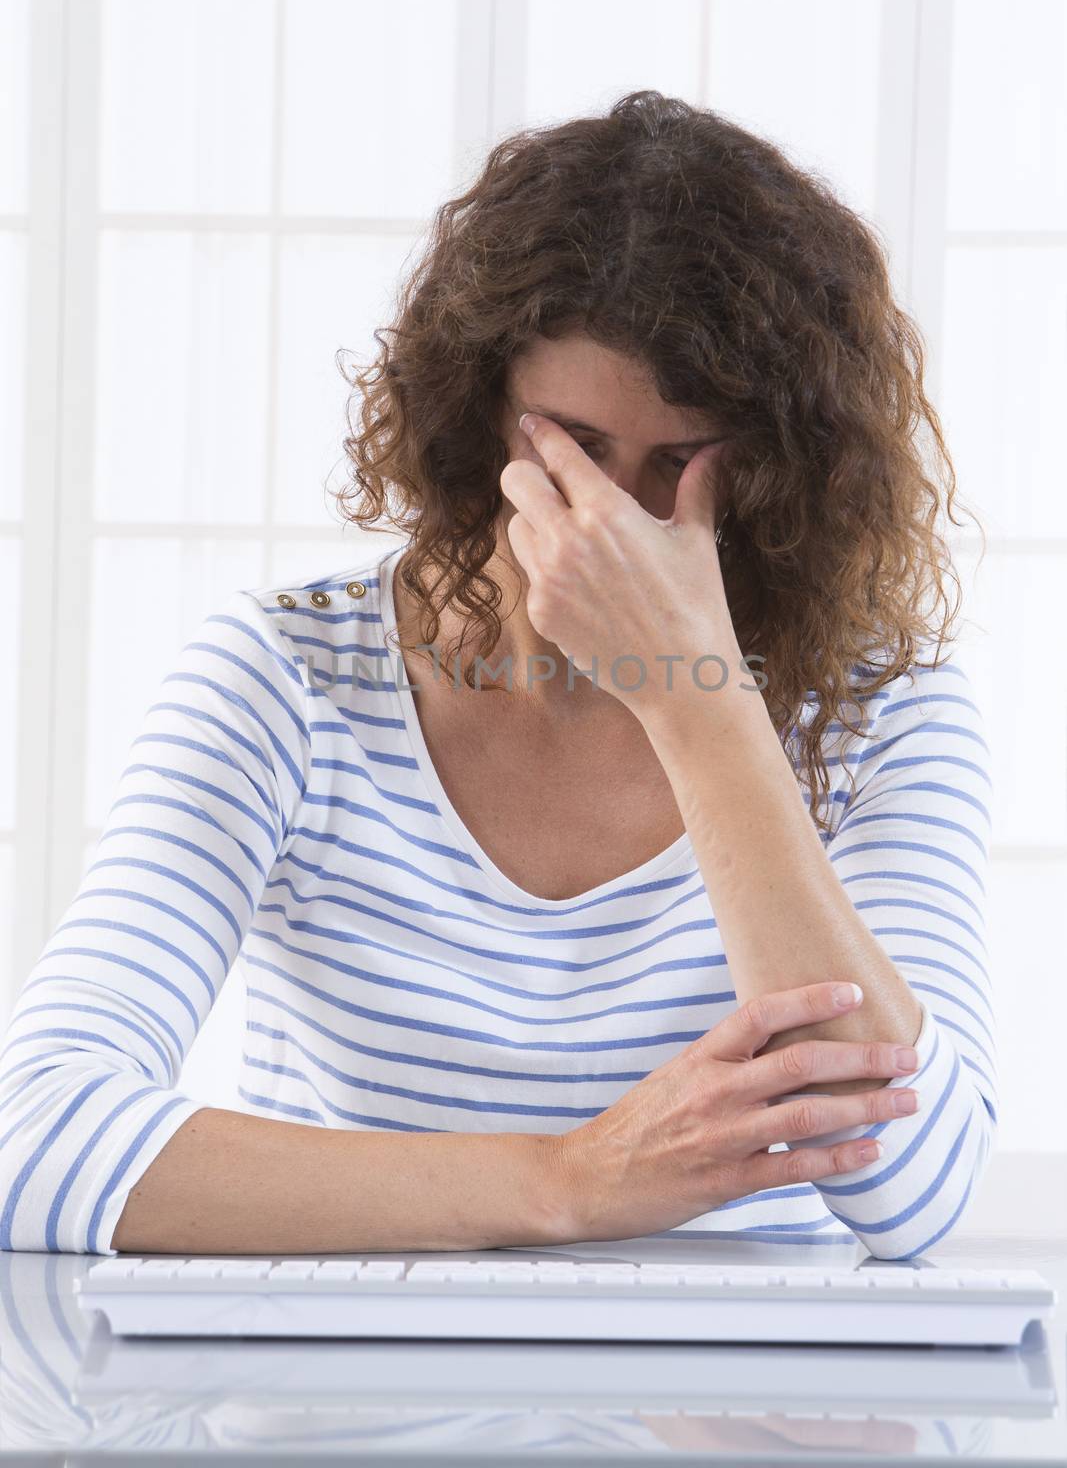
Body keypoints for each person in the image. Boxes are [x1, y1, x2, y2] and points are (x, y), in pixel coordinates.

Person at [0, 90, 995, 1260]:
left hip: (733, 1425)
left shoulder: (880, 713)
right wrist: (569, 1181)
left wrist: (694, 698)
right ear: (476, 421)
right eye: (568, 449)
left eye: (676, 464)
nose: (608, 523)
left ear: (775, 473)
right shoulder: (285, 682)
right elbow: (32, 1138)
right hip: (351, 1422)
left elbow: (916, 1194)